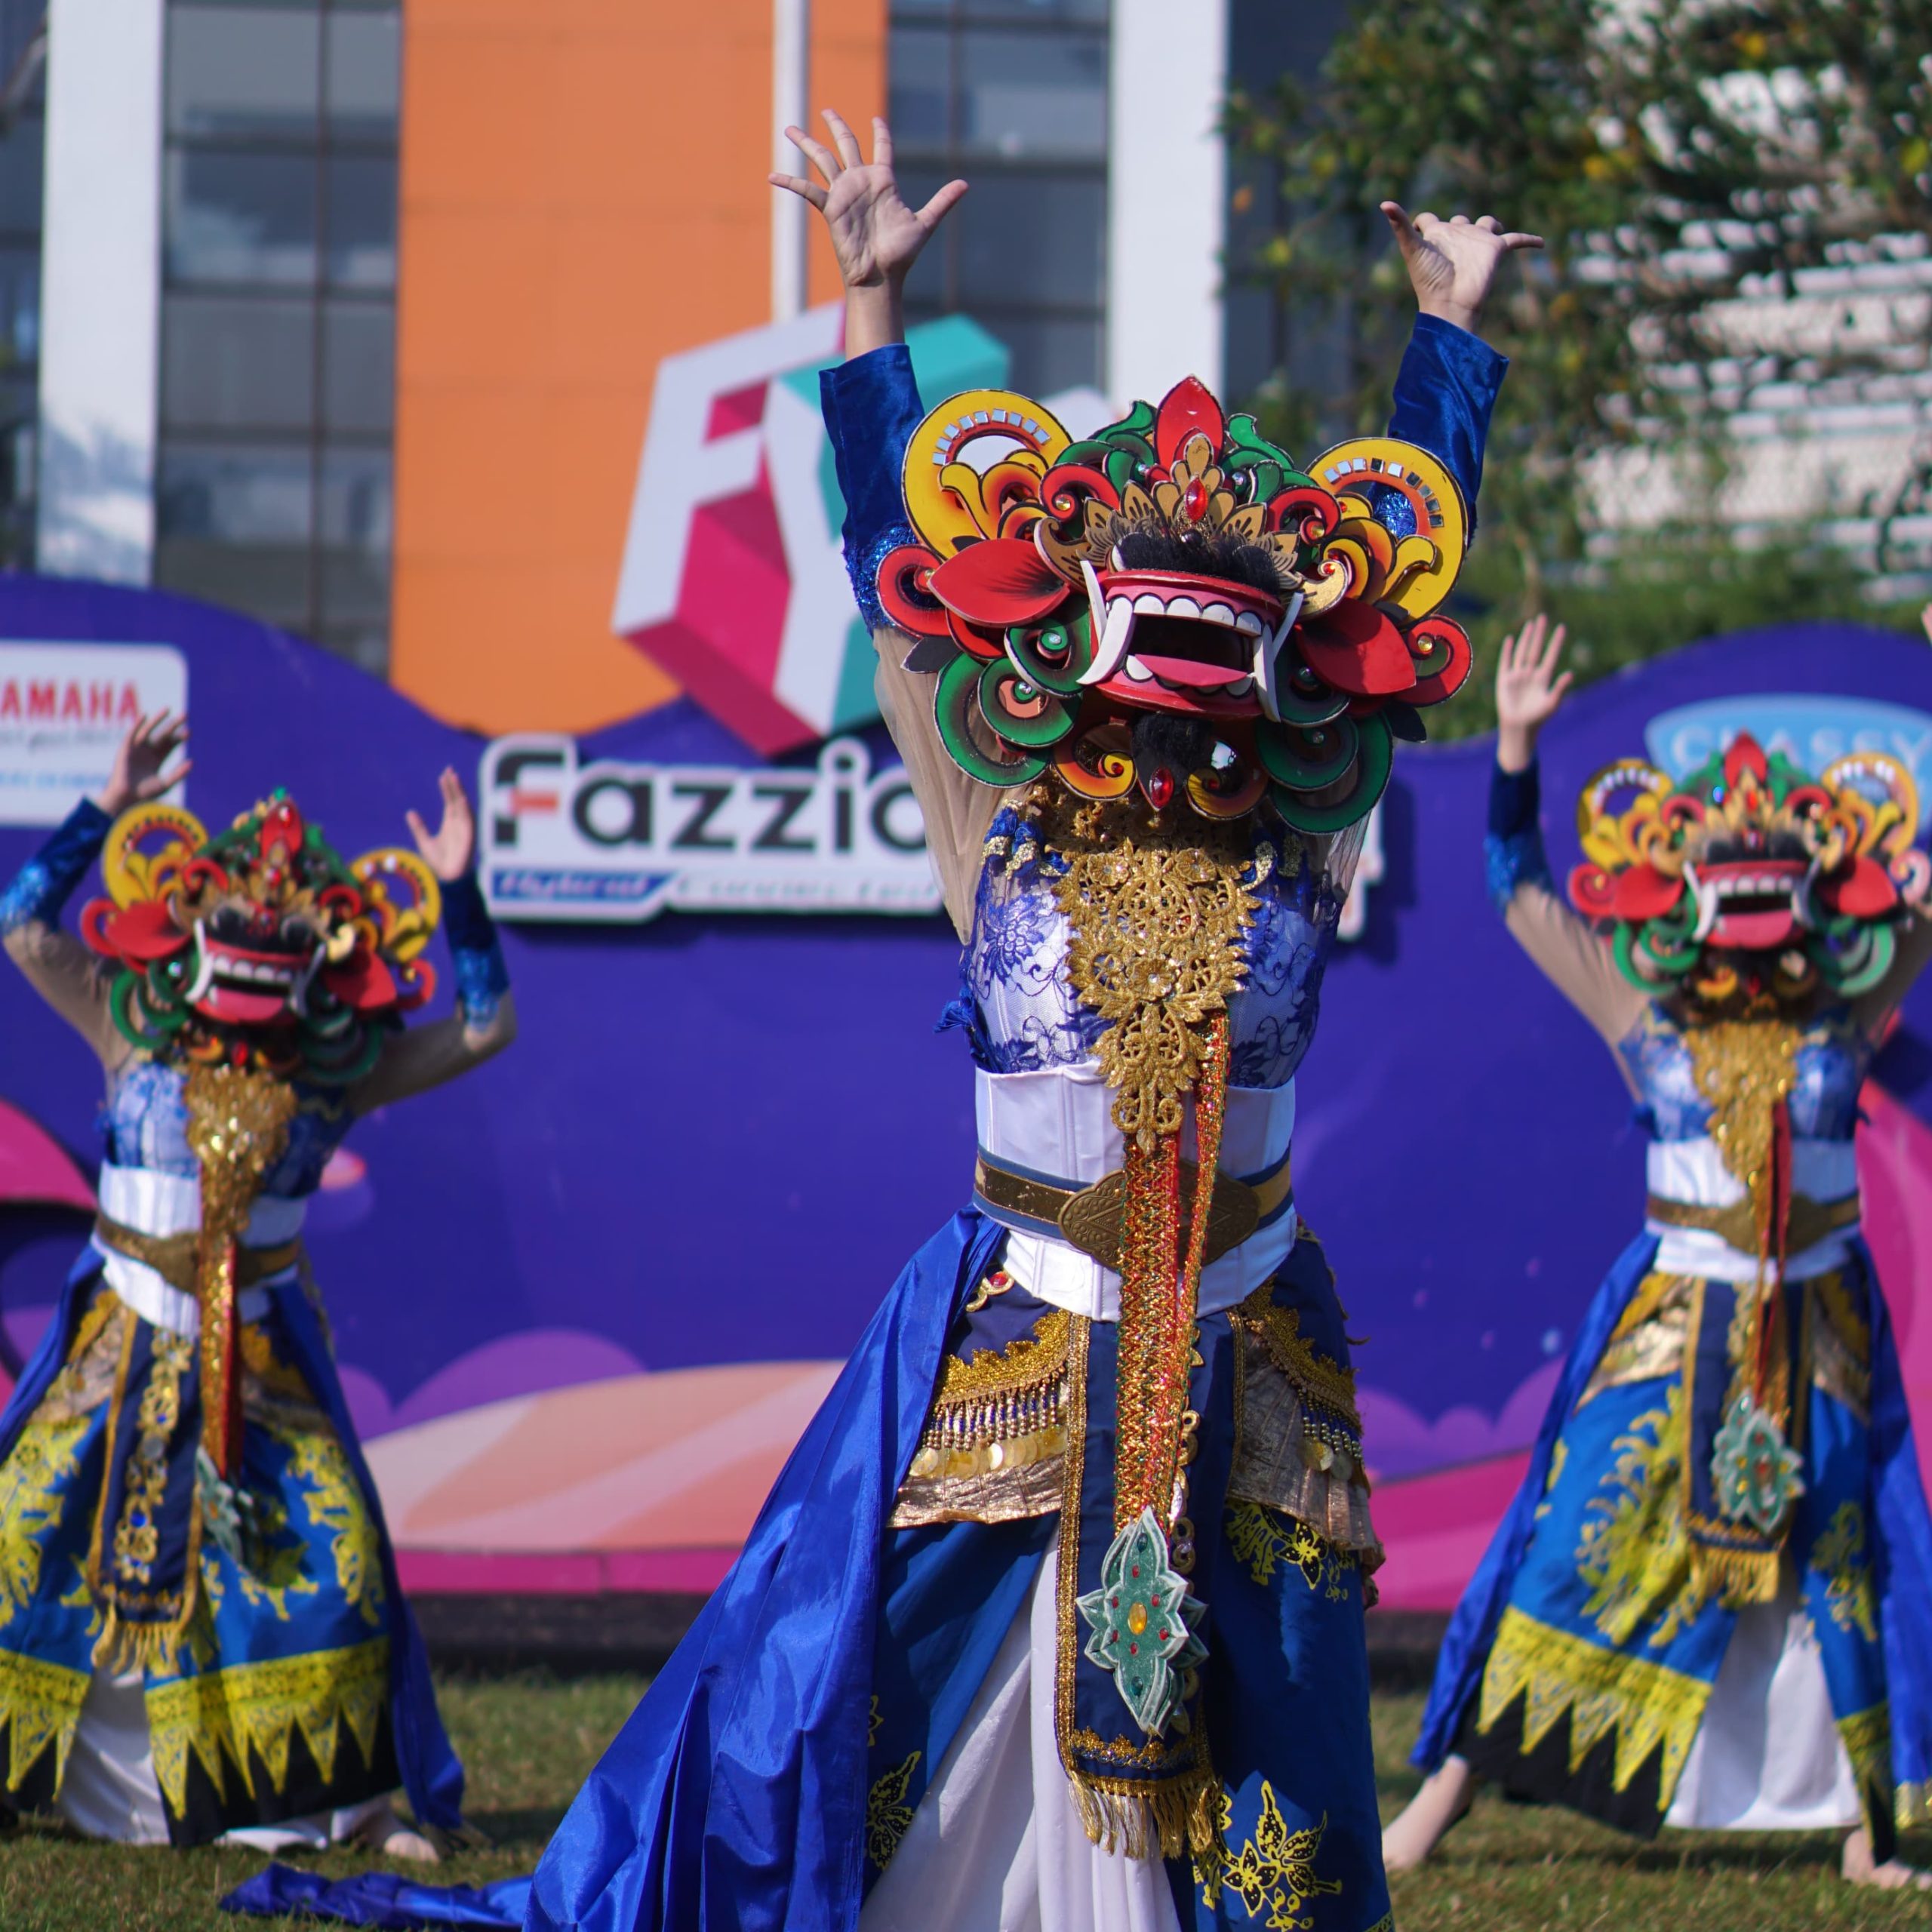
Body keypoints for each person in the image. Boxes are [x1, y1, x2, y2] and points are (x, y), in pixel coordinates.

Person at [225, 110, 1537, 1931]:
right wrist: (870, 304)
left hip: (1243, 1371)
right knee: (844, 1706)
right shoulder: (995, 830)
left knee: (1273, 1764)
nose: (1172, 726)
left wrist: (1447, 337)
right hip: (1016, 1346)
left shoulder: (1297, 850)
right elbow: (888, 576)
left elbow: (1385, 597)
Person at [1383, 617, 1932, 1888]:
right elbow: (1518, 886)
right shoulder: (1643, 1018)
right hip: (1673, 1330)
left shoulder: (1849, 1011)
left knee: (1842, 1563)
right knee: (1567, 1548)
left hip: (1823, 1331)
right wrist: (1513, 747)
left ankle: (1869, 1833)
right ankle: (1437, 1806)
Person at [0, 712, 515, 1855]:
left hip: (261, 1359)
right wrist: (106, 806)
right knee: (22, 1533)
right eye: (236, 919)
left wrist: (459, 890)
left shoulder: (337, 1077)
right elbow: (21, 923)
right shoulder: (131, 1035)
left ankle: (347, 1806)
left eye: (286, 928)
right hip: (115, 1344)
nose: (258, 933)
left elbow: (487, 1026)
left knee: (337, 1565)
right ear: (188, 930)